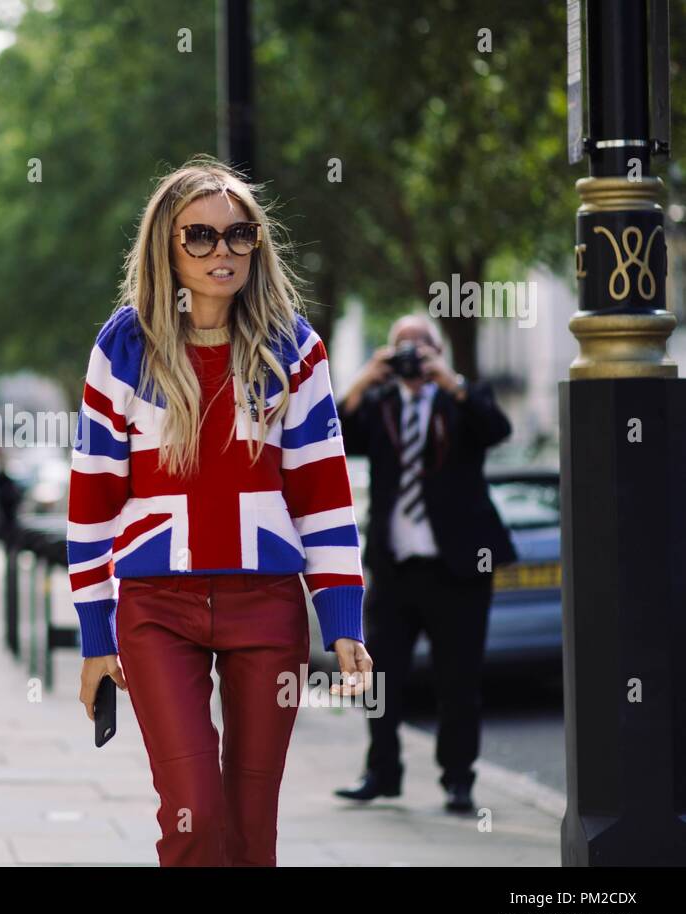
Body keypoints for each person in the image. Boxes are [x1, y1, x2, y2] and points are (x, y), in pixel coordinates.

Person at [66, 156, 370, 866]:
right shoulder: (124, 346)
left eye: (239, 236)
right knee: (194, 816)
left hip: (267, 608)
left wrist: (344, 619)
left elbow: (323, 491)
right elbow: (92, 501)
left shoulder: (295, 347)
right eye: (198, 236)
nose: (221, 251)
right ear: (166, 248)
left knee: (250, 829)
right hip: (155, 610)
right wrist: (93, 633)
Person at [333, 312, 515, 813]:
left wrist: (449, 382)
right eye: (401, 347)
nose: (413, 356)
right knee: (380, 678)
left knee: (458, 680)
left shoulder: (464, 400)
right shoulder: (379, 404)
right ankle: (381, 772)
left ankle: (459, 779)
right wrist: (365, 378)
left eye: (422, 346)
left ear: (439, 351)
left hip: (459, 570)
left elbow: (496, 429)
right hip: (394, 570)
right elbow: (335, 438)